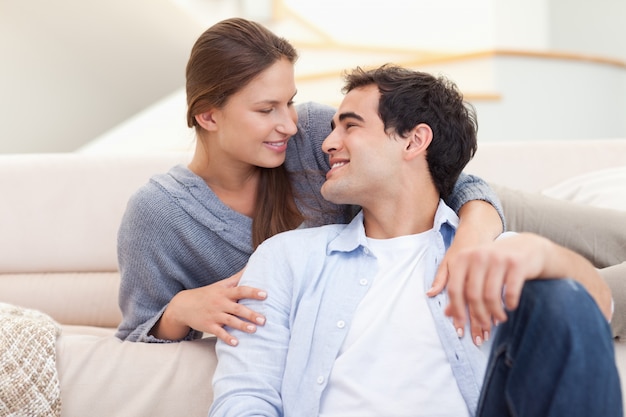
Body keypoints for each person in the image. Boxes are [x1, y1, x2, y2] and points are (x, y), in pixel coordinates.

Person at [209, 65, 621, 417]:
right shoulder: (288, 258)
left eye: (350, 125)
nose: (327, 143)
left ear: (413, 140)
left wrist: (548, 254)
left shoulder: (492, 254)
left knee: (562, 296)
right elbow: (245, 396)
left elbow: (592, 318)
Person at [115, 18, 505, 346]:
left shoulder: (315, 131)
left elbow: (445, 177)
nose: (288, 123)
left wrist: (471, 238)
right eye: (267, 109)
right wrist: (181, 310)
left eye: (289, 101)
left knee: (561, 219)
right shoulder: (159, 213)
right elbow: (137, 336)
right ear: (208, 117)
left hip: (489, 215)